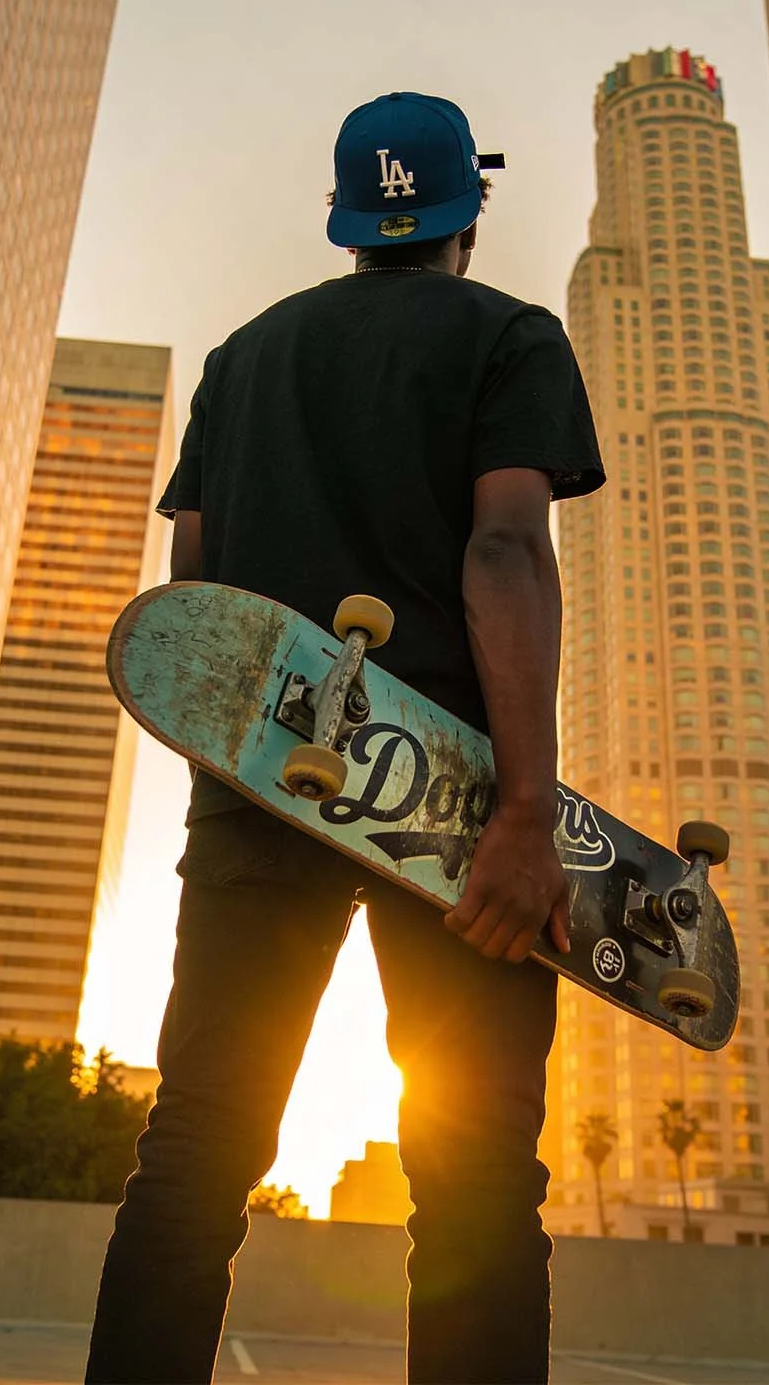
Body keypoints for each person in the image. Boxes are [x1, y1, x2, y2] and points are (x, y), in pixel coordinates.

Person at [85, 91, 605, 1385]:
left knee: (197, 1150)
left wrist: (247, 793)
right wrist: (527, 812)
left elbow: (193, 596)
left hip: (261, 781)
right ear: (468, 214)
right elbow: (504, 549)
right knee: (475, 1174)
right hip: (456, 806)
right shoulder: (509, 338)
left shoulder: (242, 360)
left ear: (347, 217)